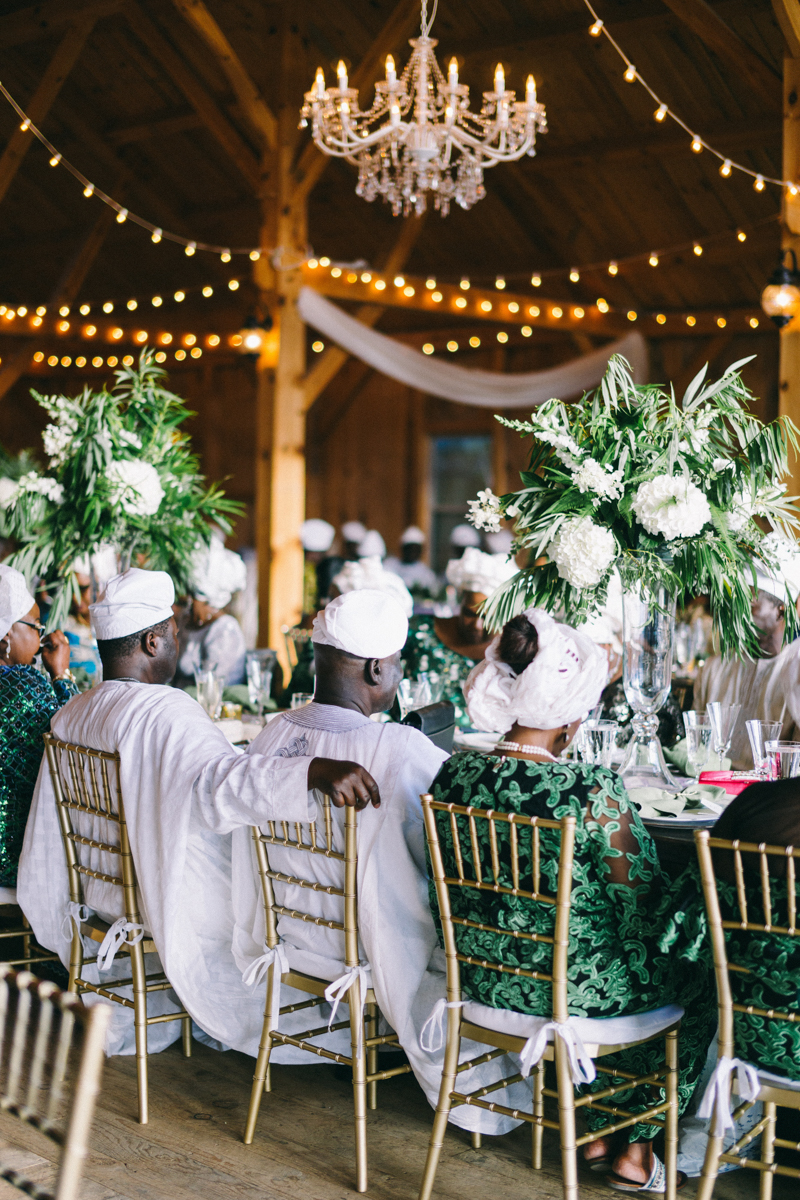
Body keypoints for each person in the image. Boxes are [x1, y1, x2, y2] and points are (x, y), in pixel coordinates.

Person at [18, 567, 384, 1059]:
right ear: (152, 641)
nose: (178, 641)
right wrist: (309, 771)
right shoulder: (164, 712)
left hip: (103, 892)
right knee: (299, 881)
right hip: (164, 897)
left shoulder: (73, 712)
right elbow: (223, 786)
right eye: (173, 632)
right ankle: (346, 1013)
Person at [430, 607, 716, 1191]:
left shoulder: (452, 776)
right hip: (568, 993)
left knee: (605, 957)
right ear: (572, 716)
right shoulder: (588, 791)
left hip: (483, 979)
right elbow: (643, 910)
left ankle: (597, 1130)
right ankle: (636, 1148)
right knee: (696, 975)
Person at [233, 589, 532, 1134]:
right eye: (395, 665)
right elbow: (456, 851)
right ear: (376, 669)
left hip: (295, 937)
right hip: (372, 945)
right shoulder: (397, 748)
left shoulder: (274, 732)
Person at [0, 564, 76, 888]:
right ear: (6, 634)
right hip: (14, 854)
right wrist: (61, 674)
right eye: (35, 627)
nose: (41, 637)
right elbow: (74, 746)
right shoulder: (20, 684)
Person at [695, 540, 800, 770]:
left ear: (781, 609)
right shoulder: (714, 668)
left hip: (767, 801)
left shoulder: (796, 676)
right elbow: (692, 748)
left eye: (751, 604)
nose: (737, 613)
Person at [402, 546, 517, 729]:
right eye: (470, 613)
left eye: (488, 617)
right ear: (460, 602)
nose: (477, 624)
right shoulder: (420, 630)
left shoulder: (513, 650)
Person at [174, 534, 248, 688]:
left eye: (189, 596)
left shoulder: (225, 629)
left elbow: (211, 686)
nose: (184, 599)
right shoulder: (186, 621)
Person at [300, 518, 341, 614]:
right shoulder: (298, 568)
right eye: (311, 553)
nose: (314, 558)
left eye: (319, 554)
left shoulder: (329, 567)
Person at [385, 526, 438, 595]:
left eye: (416, 549)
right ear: (402, 548)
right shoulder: (390, 566)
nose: (412, 552)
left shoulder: (426, 573)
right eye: (409, 548)